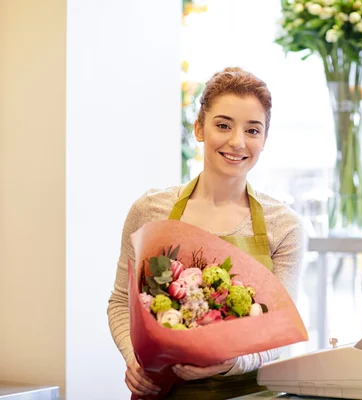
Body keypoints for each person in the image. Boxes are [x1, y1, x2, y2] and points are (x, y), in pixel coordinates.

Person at [107, 67, 306, 399]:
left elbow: (279, 332)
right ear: (199, 128)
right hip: (162, 391)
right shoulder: (150, 209)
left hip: (248, 394)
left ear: (265, 139)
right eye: (223, 125)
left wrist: (230, 362)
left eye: (252, 130)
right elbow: (120, 302)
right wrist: (134, 359)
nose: (237, 142)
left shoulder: (284, 226)